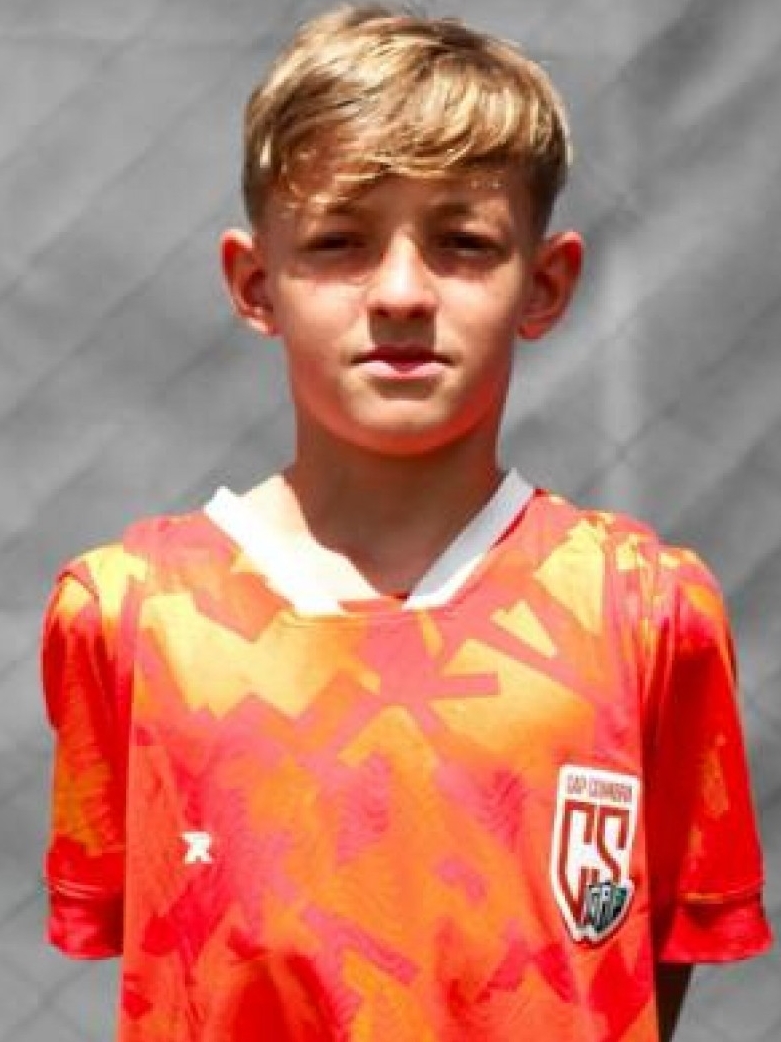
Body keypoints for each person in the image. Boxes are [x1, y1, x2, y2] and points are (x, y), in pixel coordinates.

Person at [41, 5, 772, 1040]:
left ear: (545, 283)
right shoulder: (126, 615)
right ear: (254, 283)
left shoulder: (648, 613)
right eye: (339, 242)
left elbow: (643, 968)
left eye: (461, 244)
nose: (398, 292)